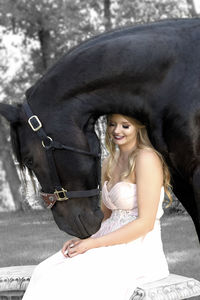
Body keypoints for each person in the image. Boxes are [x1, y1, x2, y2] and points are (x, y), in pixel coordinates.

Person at [22, 114, 171, 300]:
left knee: (68, 278)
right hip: (106, 238)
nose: (117, 130)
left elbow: (145, 223)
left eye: (125, 126)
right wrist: (83, 239)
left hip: (137, 248)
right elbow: (105, 216)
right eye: (112, 124)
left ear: (139, 128)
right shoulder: (110, 161)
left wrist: (93, 244)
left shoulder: (146, 158)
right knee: (44, 271)